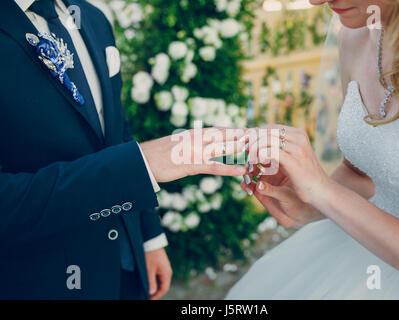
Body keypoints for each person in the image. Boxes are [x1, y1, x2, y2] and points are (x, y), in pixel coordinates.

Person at [0, 0, 246, 299]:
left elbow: (115, 131)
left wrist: (149, 238)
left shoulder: (92, 18)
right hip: (43, 278)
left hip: (127, 264)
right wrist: (140, 165)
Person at [228, 0, 399, 299]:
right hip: (350, 257)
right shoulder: (355, 36)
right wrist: (310, 203)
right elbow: (361, 174)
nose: (316, 1)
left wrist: (326, 194)